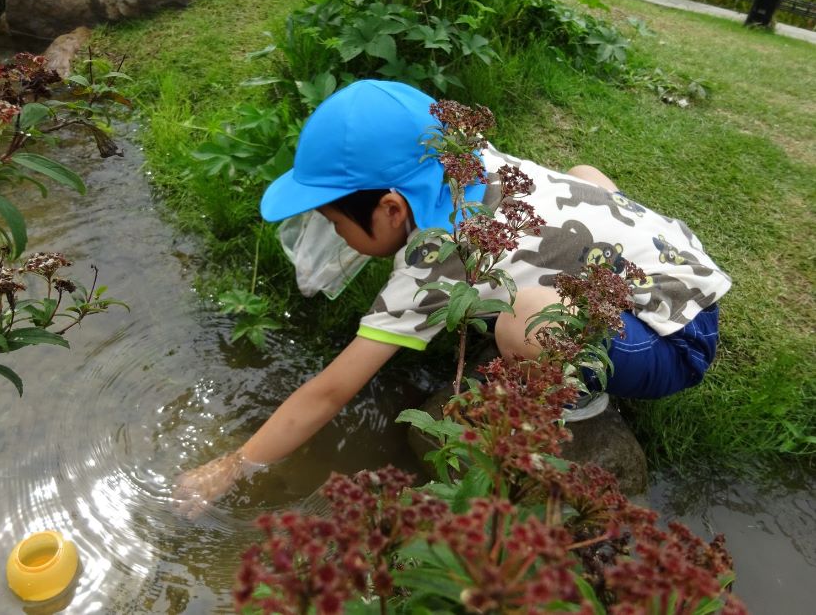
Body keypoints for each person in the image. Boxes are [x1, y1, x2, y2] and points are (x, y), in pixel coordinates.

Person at [174, 80, 731, 514]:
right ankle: (570, 328)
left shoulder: (439, 260)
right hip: (673, 263)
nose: (334, 235)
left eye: (334, 220)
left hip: (674, 341)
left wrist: (233, 466)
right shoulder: (472, 163)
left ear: (393, 208)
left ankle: (576, 394)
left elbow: (330, 392)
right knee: (580, 176)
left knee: (521, 320)